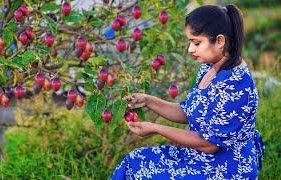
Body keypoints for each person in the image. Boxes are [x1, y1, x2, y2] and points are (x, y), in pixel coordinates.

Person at [111, 4, 265, 179]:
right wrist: (148, 101)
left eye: (197, 43)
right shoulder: (209, 67)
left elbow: (209, 144)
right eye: (190, 42)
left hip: (223, 168)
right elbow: (191, 112)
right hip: (197, 156)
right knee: (135, 161)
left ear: (220, 41)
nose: (190, 49)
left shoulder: (236, 85)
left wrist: (156, 128)